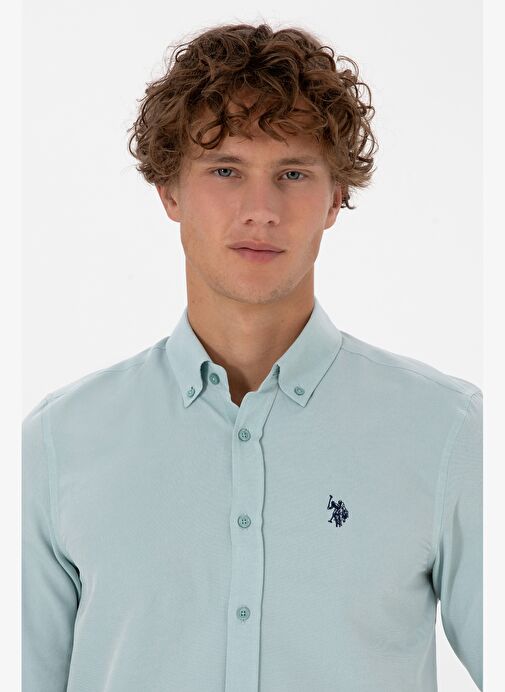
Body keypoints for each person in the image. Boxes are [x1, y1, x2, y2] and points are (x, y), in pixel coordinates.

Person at [22, 22, 483, 692]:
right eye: (226, 171)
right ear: (169, 192)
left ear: (336, 197)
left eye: (292, 173)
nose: (260, 210)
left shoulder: (447, 433)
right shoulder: (58, 444)